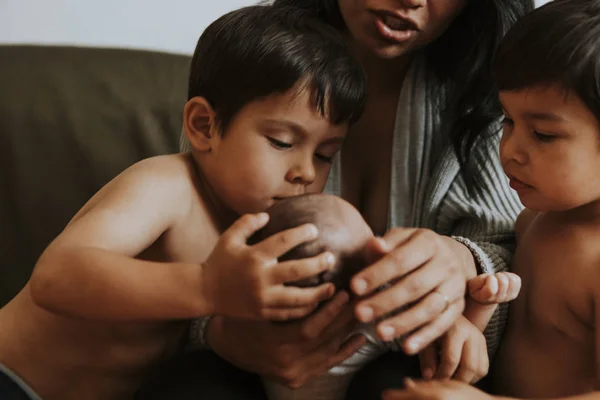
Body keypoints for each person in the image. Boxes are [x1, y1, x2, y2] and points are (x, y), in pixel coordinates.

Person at [0, 5, 368, 400]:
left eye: (325, 154)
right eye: (281, 142)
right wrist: (207, 285)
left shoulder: (263, 237)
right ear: (203, 126)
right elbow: (56, 277)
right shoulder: (167, 187)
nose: (306, 172)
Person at [175, 0, 534, 398]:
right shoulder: (259, 55)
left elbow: (520, 263)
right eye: (281, 142)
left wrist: (461, 262)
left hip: (401, 365)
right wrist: (221, 333)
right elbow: (186, 250)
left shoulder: (495, 100)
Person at [381, 1, 600, 399]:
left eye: (544, 135)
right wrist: (472, 319)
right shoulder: (534, 218)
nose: (510, 150)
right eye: (508, 121)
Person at [254, 193, 521, 400]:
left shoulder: (257, 317)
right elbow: (455, 356)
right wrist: (480, 306)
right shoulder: (373, 319)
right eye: (368, 244)